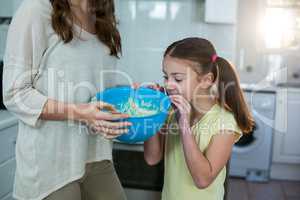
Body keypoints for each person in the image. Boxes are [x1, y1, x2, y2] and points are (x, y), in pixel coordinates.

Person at [2, 0, 131, 199]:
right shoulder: (35, 10)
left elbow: (94, 87)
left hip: (96, 153)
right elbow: (15, 93)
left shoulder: (102, 14)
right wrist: (79, 113)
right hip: (50, 164)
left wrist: (132, 93)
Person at [144, 37, 255, 200]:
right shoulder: (170, 112)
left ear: (206, 80)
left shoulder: (224, 122)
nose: (168, 85)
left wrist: (184, 126)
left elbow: (202, 180)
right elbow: (152, 158)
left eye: (178, 78)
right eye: (166, 77)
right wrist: (151, 111)